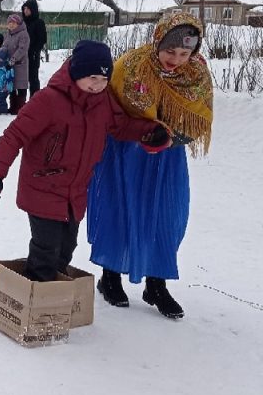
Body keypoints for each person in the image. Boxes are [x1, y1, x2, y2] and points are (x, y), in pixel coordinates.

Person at [0, 40, 169, 284]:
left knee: (66, 249)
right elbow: (14, 136)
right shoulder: (48, 101)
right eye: (92, 77)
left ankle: (50, 297)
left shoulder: (103, 102)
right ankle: (38, 302)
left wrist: (149, 132)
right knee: (46, 249)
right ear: (76, 71)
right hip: (42, 187)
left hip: (76, 192)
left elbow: (120, 126)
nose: (98, 85)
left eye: (103, 80)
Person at [86, 16, 213, 319]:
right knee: (121, 210)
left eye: (184, 54)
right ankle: (110, 276)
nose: (176, 60)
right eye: (170, 52)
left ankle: (156, 284)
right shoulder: (131, 66)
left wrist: (173, 138)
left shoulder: (196, 74)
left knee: (166, 217)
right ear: (158, 41)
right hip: (125, 152)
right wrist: (141, 130)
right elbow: (110, 108)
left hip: (167, 158)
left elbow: (201, 116)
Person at [3, 12, 31, 114]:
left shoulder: (23, 34)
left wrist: (13, 59)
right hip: (9, 65)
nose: (11, 24)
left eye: (13, 22)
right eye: (9, 22)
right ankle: (13, 107)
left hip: (20, 64)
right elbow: (4, 47)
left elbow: (22, 49)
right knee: (12, 86)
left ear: (18, 23)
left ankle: (20, 108)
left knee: (21, 87)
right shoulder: (8, 34)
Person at [22, 0, 47, 93]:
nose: (26, 11)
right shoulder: (22, 23)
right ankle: (21, 103)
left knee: (33, 79)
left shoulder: (39, 22)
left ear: (33, 9)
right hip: (21, 55)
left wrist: (34, 51)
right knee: (21, 80)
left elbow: (42, 39)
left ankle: (35, 101)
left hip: (32, 55)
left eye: (28, 8)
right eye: (24, 9)